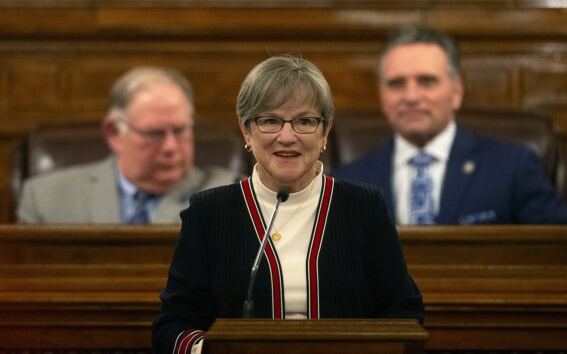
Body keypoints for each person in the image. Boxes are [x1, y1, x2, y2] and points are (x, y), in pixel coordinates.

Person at [152, 55, 424, 353]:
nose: (287, 137)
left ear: (325, 131)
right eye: (270, 121)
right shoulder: (209, 213)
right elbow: (172, 326)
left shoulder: (364, 206)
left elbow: (404, 313)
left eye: (304, 121)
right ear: (246, 130)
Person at [331, 25, 567, 225]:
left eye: (427, 81)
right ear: (382, 96)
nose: (411, 96)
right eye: (396, 84)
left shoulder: (513, 167)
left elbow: (561, 255)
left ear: (456, 92)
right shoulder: (348, 184)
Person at [17, 66, 242, 224]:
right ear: (114, 133)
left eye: (181, 130)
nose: (171, 147)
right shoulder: (46, 199)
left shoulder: (233, 199)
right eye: (154, 133)